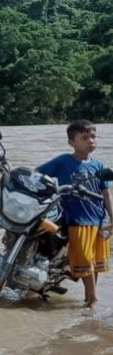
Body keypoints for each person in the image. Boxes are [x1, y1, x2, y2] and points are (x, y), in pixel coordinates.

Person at [36, 120, 113, 308]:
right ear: (72, 142)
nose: (91, 141)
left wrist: (112, 217)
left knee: (95, 262)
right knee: (85, 260)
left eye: (93, 137)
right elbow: (39, 174)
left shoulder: (99, 167)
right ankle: (93, 300)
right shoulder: (63, 161)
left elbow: (106, 194)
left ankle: (89, 297)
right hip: (77, 219)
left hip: (98, 219)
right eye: (85, 138)